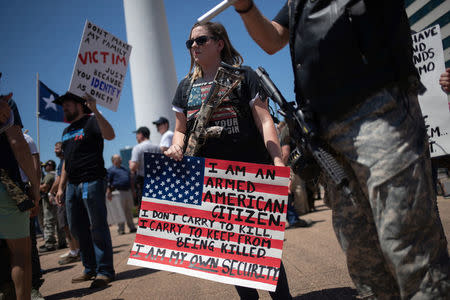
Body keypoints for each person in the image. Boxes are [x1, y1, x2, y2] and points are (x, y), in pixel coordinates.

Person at [232, 1, 450, 298]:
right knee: (362, 252)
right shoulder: (297, 3)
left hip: (379, 111)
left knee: (406, 242)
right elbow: (272, 39)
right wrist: (245, 8)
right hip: (326, 134)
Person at [165, 21, 292, 300]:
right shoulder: (185, 87)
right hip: (210, 180)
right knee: (230, 250)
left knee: (261, 246)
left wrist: (277, 162)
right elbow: (180, 129)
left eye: (201, 40)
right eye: (190, 43)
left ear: (219, 43)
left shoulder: (244, 76)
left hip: (250, 173)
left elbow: (264, 120)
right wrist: (176, 147)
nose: (194, 46)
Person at [54, 92, 115, 288]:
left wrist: (95, 109)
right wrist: (61, 187)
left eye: (67, 105)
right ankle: (89, 269)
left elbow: (110, 135)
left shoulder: (92, 121)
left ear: (80, 105)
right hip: (72, 186)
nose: (64, 108)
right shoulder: (66, 131)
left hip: (92, 181)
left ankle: (105, 271)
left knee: (97, 227)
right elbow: (65, 162)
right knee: (76, 228)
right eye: (62, 106)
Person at [0, 95, 40, 300]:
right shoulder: (5, 104)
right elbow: (18, 144)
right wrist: (34, 187)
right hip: (5, 184)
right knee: (21, 255)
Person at [49, 141, 80, 265]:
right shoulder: (62, 161)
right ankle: (74, 250)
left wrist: (52, 192)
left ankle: (75, 251)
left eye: (57, 148)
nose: (55, 150)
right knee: (67, 225)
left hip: (66, 195)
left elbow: (60, 178)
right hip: (65, 195)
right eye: (54, 147)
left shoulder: (65, 160)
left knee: (68, 224)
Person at [129, 126, 160, 208]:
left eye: (137, 134)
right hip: (156, 180)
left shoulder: (138, 148)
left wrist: (130, 164)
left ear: (141, 135)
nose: (136, 137)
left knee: (144, 207)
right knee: (156, 206)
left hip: (143, 180)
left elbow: (133, 167)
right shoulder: (157, 147)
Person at [106, 154, 137, 235]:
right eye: (118, 158)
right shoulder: (110, 170)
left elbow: (130, 180)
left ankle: (132, 227)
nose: (120, 159)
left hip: (128, 191)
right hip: (118, 192)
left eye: (120, 157)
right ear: (113, 160)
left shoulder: (125, 169)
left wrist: (133, 191)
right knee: (119, 211)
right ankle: (121, 229)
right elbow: (107, 182)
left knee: (129, 210)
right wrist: (108, 192)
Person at [38, 160, 63, 252]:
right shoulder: (55, 174)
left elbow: (44, 187)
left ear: (51, 166)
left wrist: (34, 185)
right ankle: (62, 242)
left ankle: (50, 244)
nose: (44, 168)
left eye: (45, 166)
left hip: (49, 203)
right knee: (59, 222)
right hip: (55, 201)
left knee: (48, 222)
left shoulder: (49, 175)